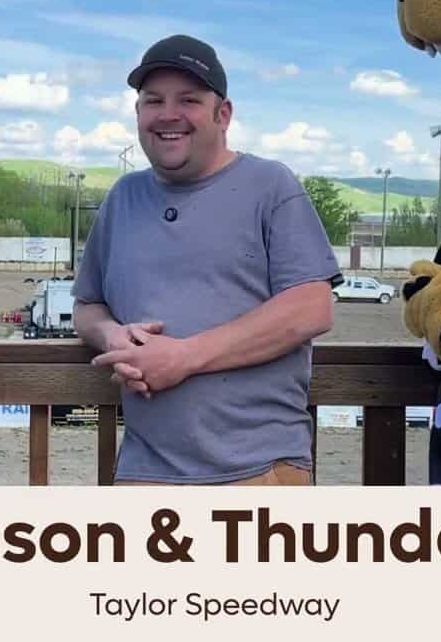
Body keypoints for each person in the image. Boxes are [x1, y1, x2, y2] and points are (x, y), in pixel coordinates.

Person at [72, 34, 342, 485]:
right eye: (152, 101)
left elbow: (312, 306)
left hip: (258, 470)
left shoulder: (270, 185)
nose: (168, 114)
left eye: (189, 100)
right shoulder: (122, 198)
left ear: (224, 114)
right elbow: (87, 306)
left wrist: (183, 358)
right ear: (138, 115)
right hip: (144, 471)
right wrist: (113, 334)